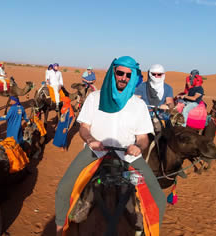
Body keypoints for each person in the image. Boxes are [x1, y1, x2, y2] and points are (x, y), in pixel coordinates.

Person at [55, 56, 166, 235]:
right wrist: (91, 140)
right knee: (63, 188)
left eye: (128, 75)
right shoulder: (94, 98)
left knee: (159, 198)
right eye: (120, 73)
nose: (123, 77)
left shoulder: (138, 105)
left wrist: (139, 146)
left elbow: (143, 137)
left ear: (132, 77)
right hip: (95, 152)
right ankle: (60, 229)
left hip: (128, 155)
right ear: (113, 72)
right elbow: (84, 128)